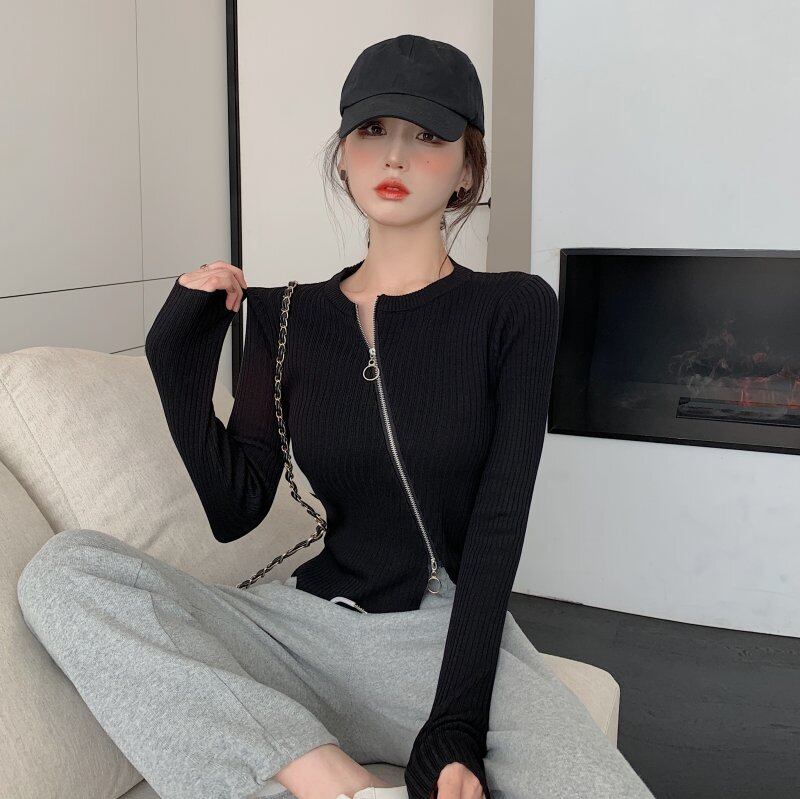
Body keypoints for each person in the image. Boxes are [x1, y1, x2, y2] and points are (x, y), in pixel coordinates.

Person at [16, 34, 656, 799]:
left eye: (428, 135)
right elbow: (235, 507)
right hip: (303, 631)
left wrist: (454, 725)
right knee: (66, 571)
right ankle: (331, 779)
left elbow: (498, 522)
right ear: (344, 156)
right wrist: (176, 359)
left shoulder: (514, 308)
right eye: (373, 130)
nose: (396, 156)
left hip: (441, 637)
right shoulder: (287, 316)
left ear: (467, 169)